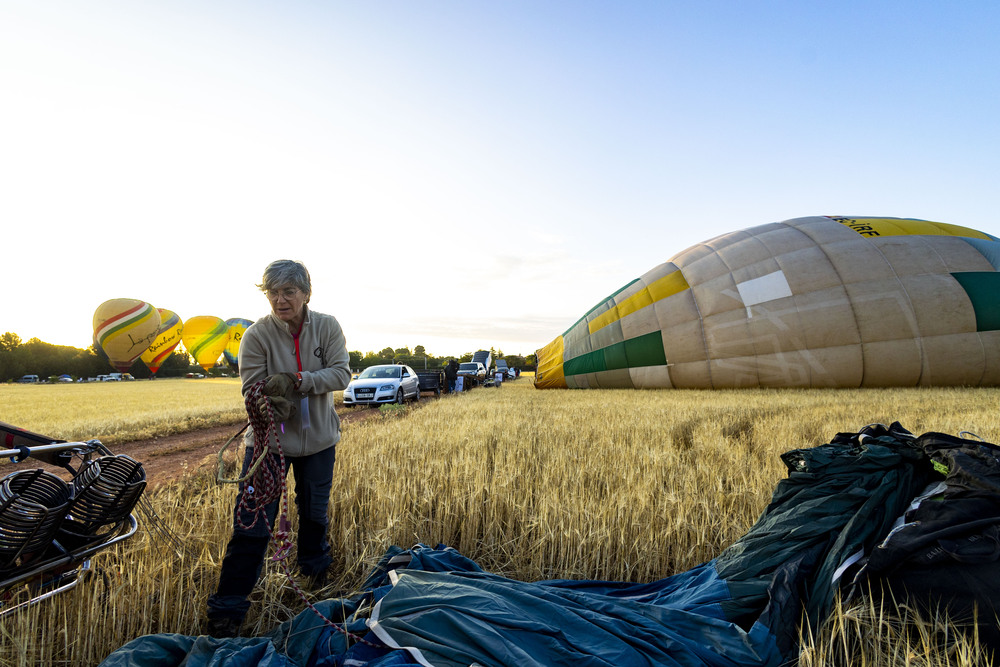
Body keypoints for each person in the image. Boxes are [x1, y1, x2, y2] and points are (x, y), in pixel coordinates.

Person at [206, 260, 351, 637]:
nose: (280, 299)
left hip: (319, 441)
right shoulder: (256, 335)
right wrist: (270, 395)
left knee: (314, 512)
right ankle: (228, 610)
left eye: (289, 292)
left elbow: (341, 373)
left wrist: (297, 380)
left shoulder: (328, 326)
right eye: (273, 292)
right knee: (251, 522)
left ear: (306, 294)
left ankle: (315, 575)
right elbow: (250, 388)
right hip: (268, 444)